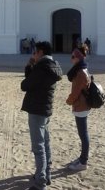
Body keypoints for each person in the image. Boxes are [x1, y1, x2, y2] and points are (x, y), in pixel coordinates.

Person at [21, 41, 63, 190]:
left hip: (37, 109)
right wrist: (30, 67)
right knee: (45, 143)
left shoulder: (42, 68)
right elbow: (31, 82)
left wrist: (30, 67)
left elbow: (25, 85)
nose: (33, 55)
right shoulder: (52, 66)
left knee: (38, 146)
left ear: (40, 52)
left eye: (35, 52)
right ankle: (46, 174)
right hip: (45, 108)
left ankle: (41, 182)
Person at [66, 45, 91, 171]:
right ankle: (82, 157)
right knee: (83, 133)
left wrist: (69, 101)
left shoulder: (80, 72)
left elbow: (76, 92)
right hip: (83, 105)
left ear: (78, 58)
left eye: (73, 57)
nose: (71, 59)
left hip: (81, 106)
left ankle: (83, 161)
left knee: (83, 134)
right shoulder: (82, 69)